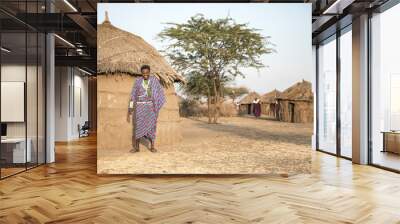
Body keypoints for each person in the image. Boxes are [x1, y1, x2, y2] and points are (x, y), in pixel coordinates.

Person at [127, 65, 166, 153]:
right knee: (138, 126)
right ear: (141, 73)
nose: (145, 75)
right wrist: (130, 107)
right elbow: (133, 95)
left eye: (147, 73)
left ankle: (152, 146)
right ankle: (136, 147)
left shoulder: (154, 81)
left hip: (151, 107)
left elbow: (159, 93)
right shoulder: (137, 81)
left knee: (152, 126)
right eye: (143, 73)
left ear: (149, 72)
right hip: (140, 107)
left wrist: (156, 103)